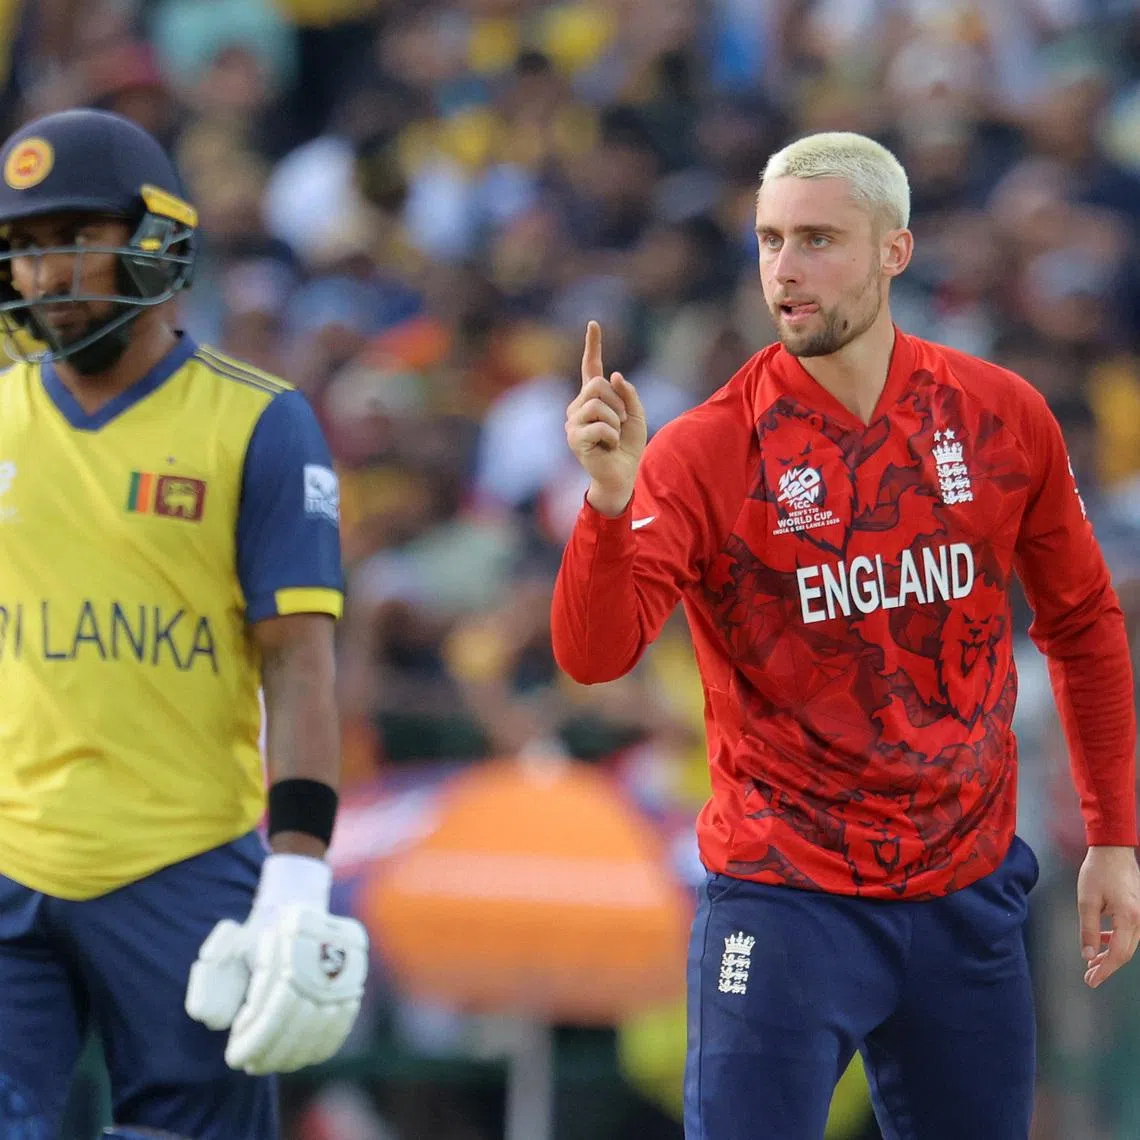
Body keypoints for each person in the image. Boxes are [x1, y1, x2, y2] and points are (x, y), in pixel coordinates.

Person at [550, 130, 1140, 1140]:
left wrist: (1115, 839)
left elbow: (1084, 627)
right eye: (771, 240)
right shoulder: (706, 450)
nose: (785, 268)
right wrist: (607, 505)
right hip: (785, 896)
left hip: (967, 892)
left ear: (893, 251)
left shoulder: (1000, 416)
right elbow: (594, 656)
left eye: (818, 239)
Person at [0, 108, 368, 1139]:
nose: (43, 274)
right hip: (11, 860)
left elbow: (299, 664)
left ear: (153, 239)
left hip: (181, 868)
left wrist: (297, 871)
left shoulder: (257, 419)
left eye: (73, 237)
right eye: (24, 248)